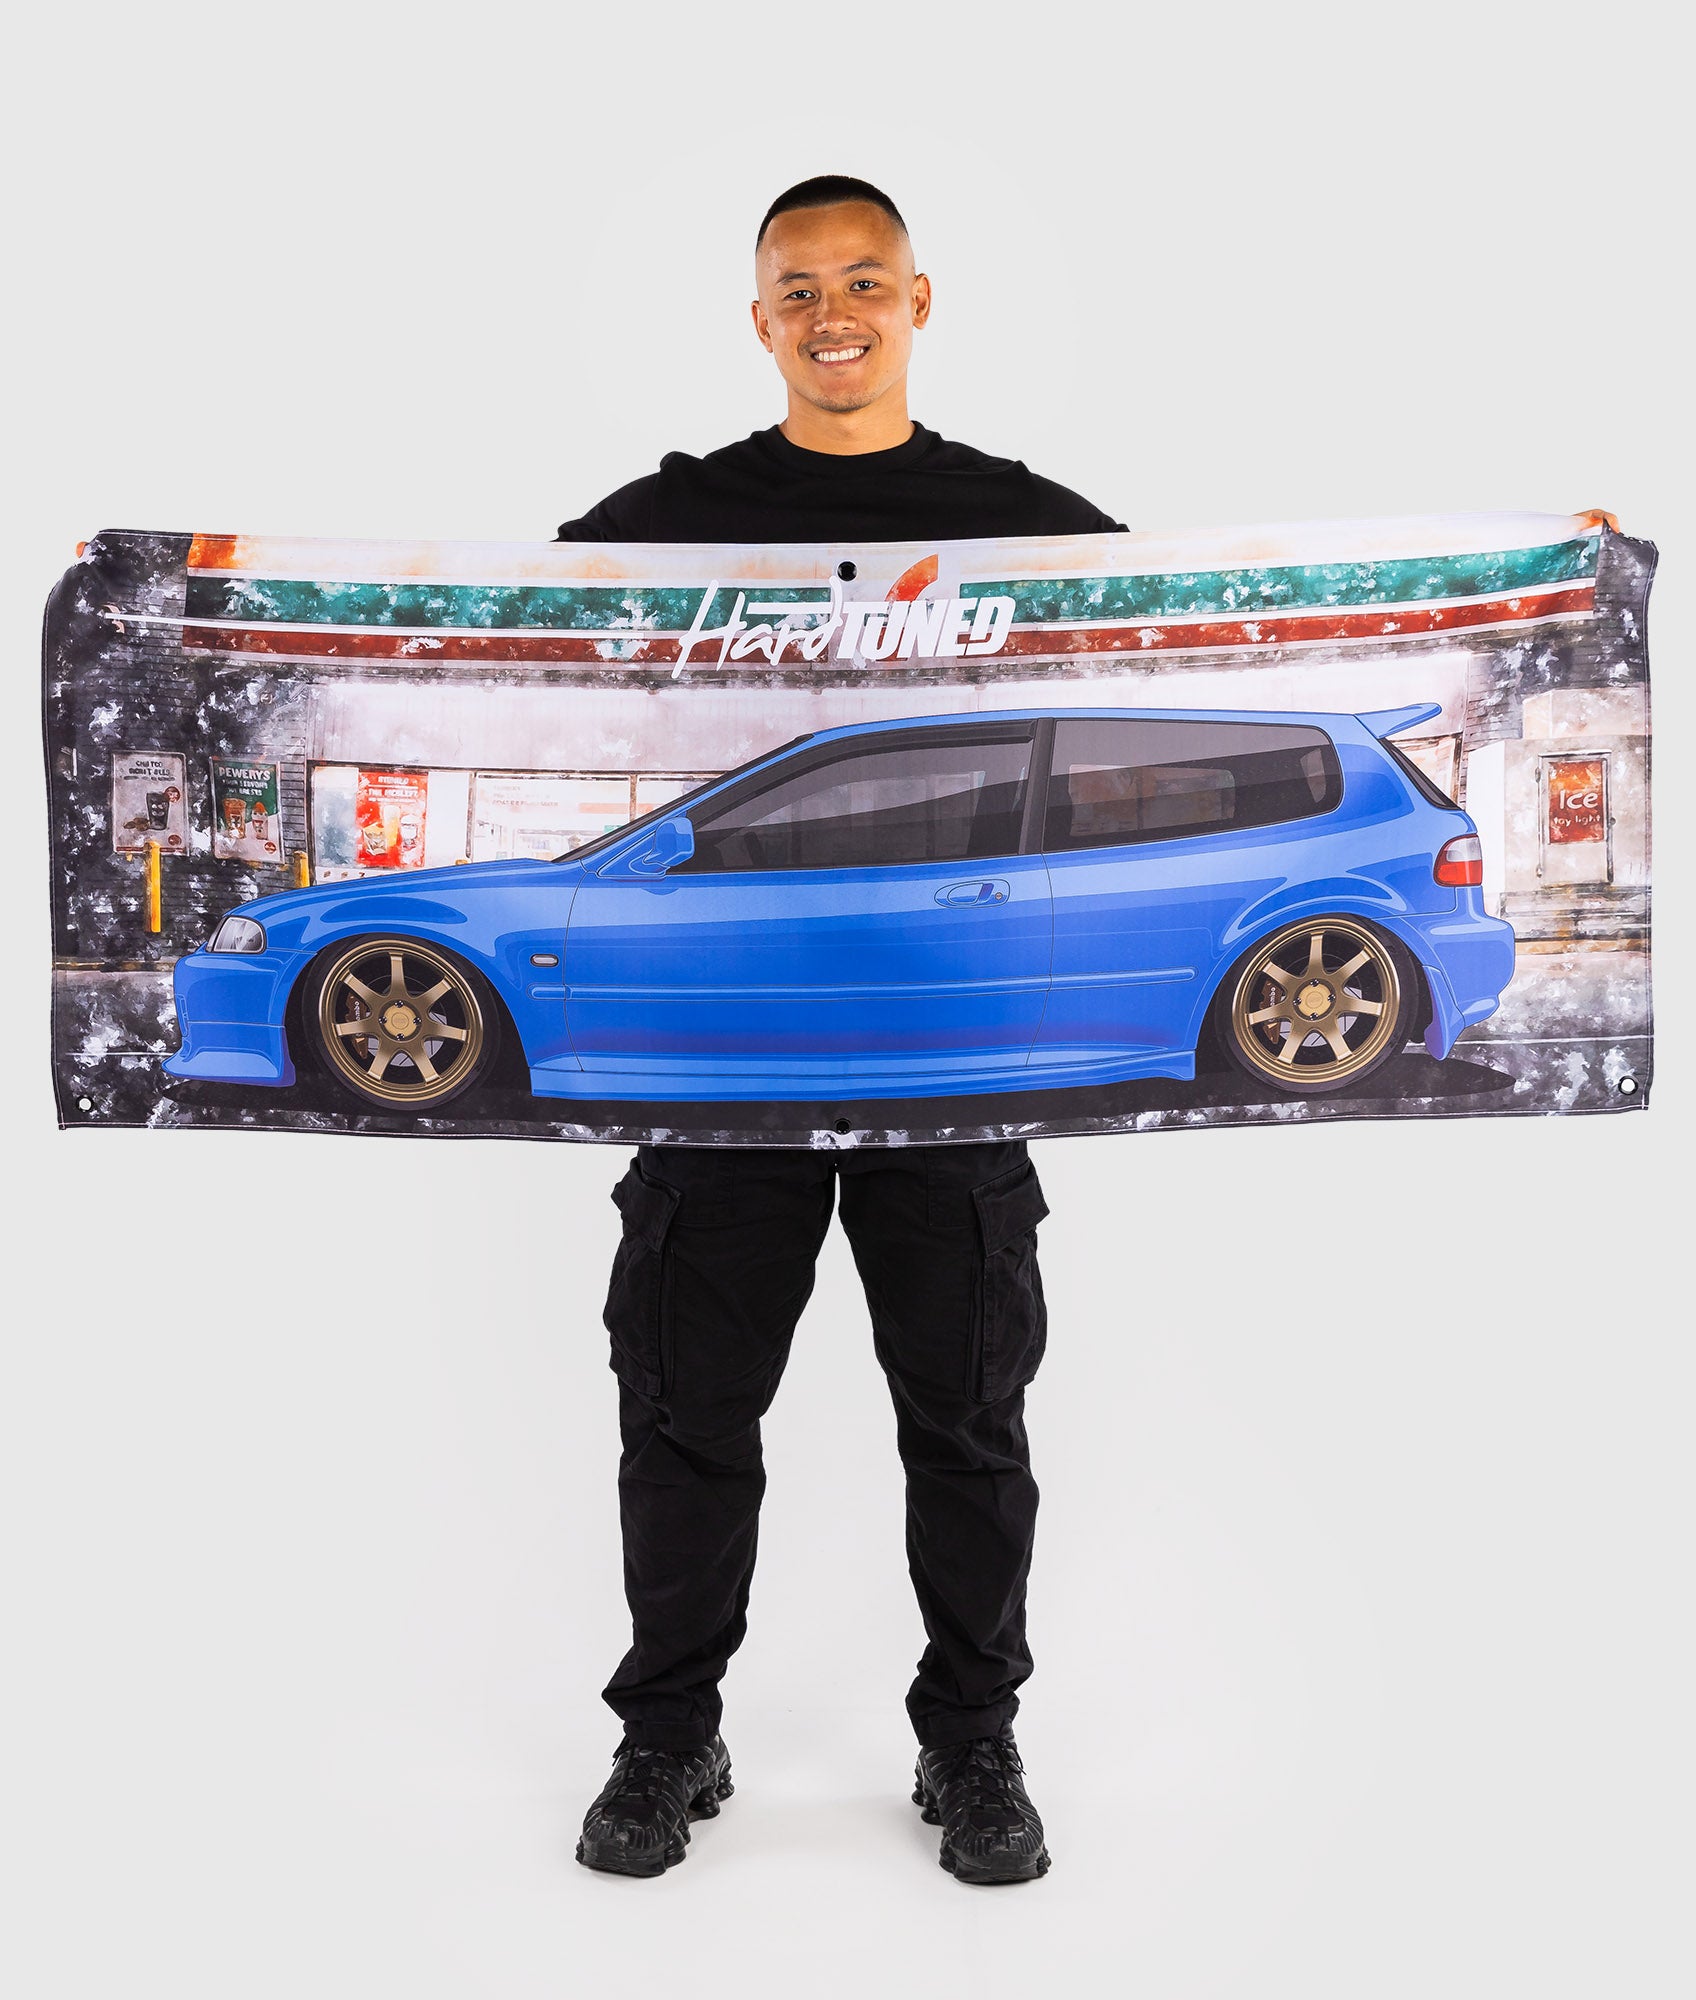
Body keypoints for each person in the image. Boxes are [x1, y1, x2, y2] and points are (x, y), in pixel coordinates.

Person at [557, 175, 1124, 1885]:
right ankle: (668, 1737)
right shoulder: (667, 524)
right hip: (724, 1061)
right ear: (760, 321)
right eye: (798, 289)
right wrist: (150, 609)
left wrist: (1541, 590)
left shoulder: (1028, 526)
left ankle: (973, 1743)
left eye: (864, 281)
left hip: (951, 1057)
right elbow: (516, 662)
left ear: (918, 301)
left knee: (968, 1423)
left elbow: (1225, 649)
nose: (833, 314)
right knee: (684, 1416)